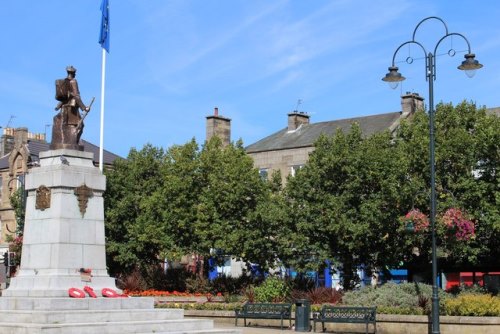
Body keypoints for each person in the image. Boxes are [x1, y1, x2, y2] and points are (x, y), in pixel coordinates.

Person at [51, 66, 91, 150]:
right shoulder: (73, 81)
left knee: (63, 125)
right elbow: (76, 96)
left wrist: (58, 106)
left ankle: (67, 141)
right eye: (75, 73)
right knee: (80, 126)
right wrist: (84, 108)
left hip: (64, 108)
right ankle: (74, 142)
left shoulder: (64, 81)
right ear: (73, 73)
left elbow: (64, 97)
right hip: (72, 109)